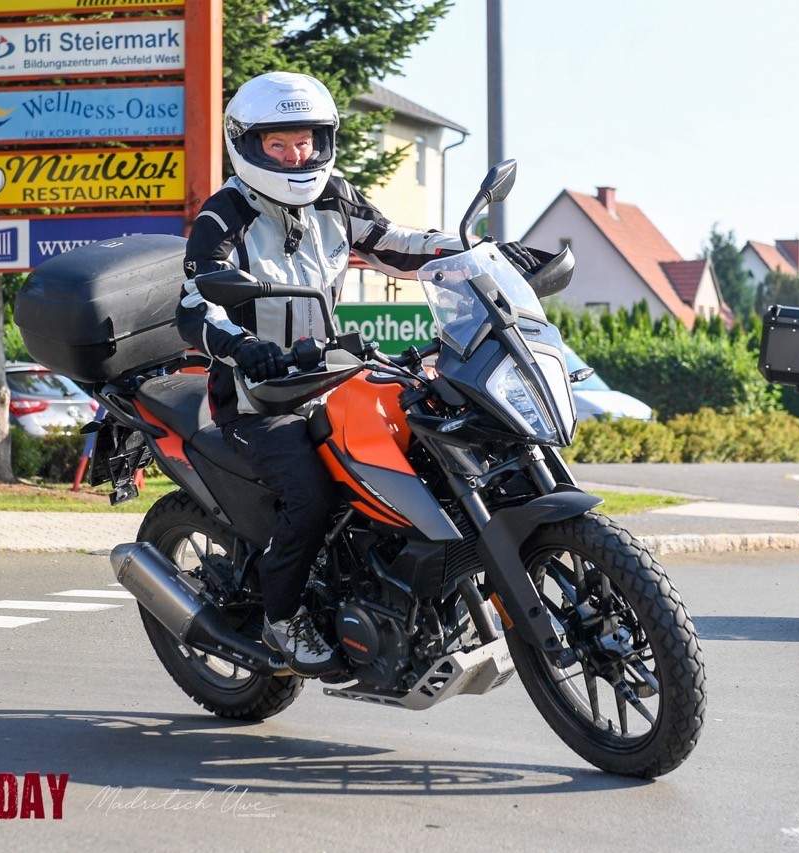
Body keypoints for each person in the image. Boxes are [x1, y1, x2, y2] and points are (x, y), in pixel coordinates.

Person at [176, 72, 538, 676]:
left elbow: (395, 243)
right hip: (258, 397)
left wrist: (483, 253)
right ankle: (282, 616)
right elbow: (194, 305)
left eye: (305, 142)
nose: (296, 157)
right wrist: (243, 346)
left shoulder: (335, 198)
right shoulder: (224, 215)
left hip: (333, 377)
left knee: (429, 443)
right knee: (309, 491)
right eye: (278, 144)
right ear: (247, 143)